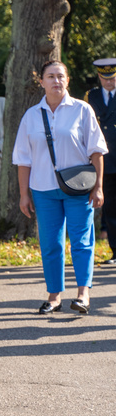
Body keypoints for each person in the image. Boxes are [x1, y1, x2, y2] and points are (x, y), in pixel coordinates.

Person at [13, 60, 107, 314]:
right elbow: (23, 159)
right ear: (41, 81)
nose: (56, 81)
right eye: (50, 76)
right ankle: (54, 296)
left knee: (81, 241)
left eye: (60, 76)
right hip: (43, 190)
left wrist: (98, 186)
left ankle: (83, 294)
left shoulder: (82, 110)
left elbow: (97, 150)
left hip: (79, 189)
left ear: (67, 80)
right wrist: (24, 194)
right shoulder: (31, 116)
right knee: (50, 243)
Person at [85, 58, 116, 264]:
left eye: (112, 77)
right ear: (99, 77)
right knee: (111, 209)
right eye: (105, 78)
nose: (109, 81)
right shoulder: (91, 96)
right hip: (106, 161)